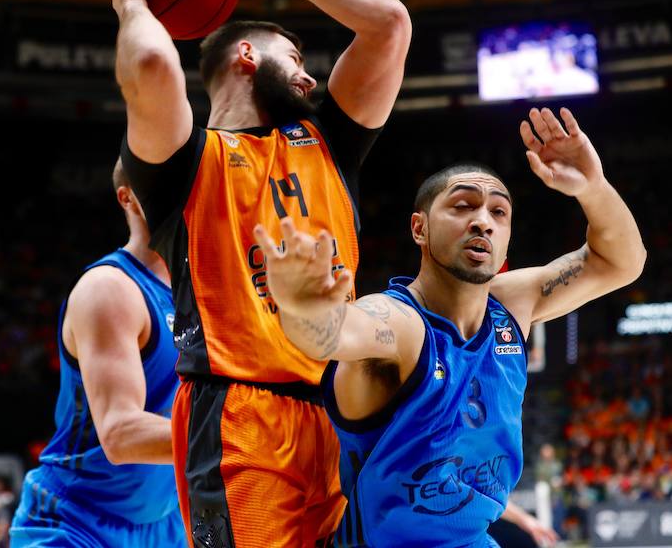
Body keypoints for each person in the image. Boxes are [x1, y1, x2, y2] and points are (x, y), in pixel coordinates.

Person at [111, 0, 411, 544]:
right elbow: (147, 59)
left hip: (342, 412)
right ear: (246, 56)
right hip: (238, 419)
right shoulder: (183, 162)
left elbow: (389, 24)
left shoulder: (329, 141)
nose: (309, 76)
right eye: (295, 58)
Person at [254, 107, 645, 547]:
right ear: (419, 229)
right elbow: (332, 333)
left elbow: (621, 262)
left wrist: (593, 187)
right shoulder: (399, 323)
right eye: (463, 205)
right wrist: (301, 304)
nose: (483, 221)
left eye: (499, 213)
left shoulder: (513, 303)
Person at [9, 162, 184, 547]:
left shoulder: (205, 292)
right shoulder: (110, 289)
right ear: (128, 199)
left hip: (168, 523)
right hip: (77, 522)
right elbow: (122, 435)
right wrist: (245, 438)